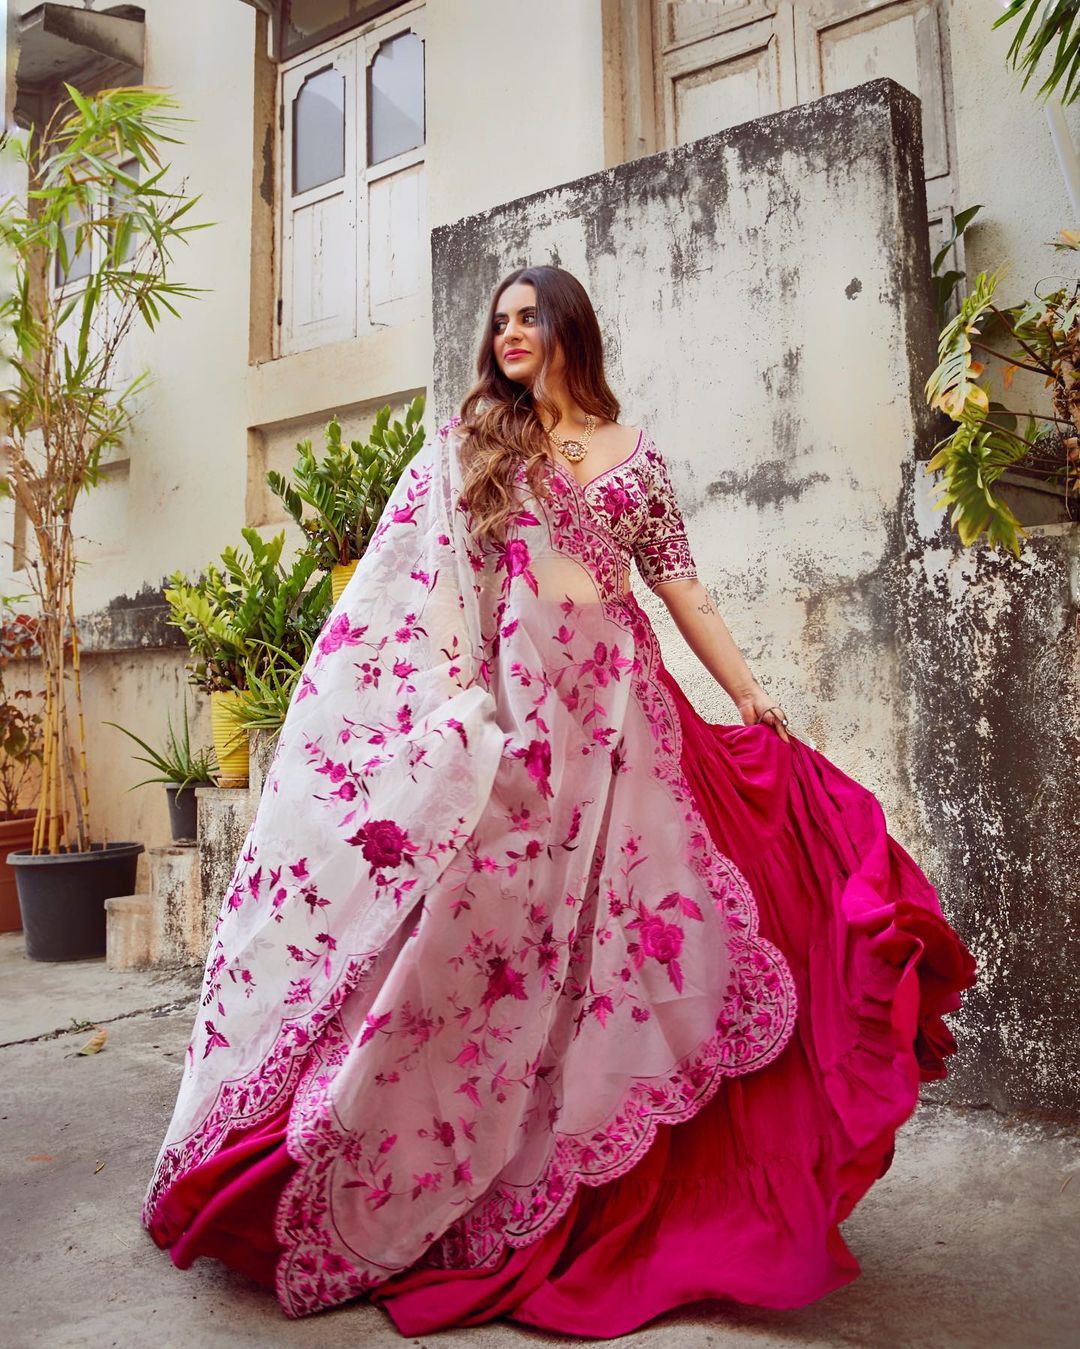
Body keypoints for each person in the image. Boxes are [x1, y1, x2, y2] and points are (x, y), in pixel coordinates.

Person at [142, 264, 978, 1337]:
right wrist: (454, 715)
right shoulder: (476, 452)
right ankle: (413, 1163)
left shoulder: (637, 461)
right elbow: (436, 595)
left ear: (570, 326)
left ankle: (647, 1188)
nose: (510, 333)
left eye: (529, 315)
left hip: (629, 729)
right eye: (498, 321)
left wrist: (748, 690)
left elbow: (685, 588)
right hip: (519, 734)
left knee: (648, 942)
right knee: (480, 950)